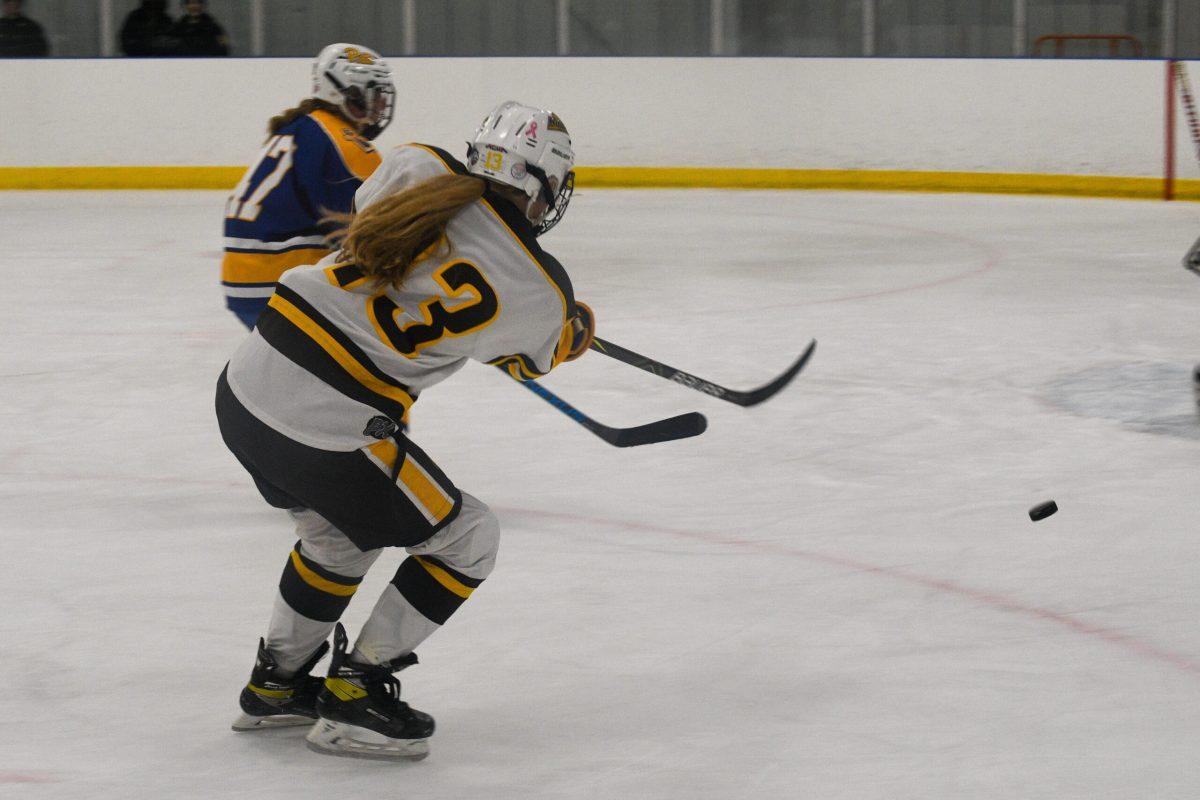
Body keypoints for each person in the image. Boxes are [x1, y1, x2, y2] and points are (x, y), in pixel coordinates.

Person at [217, 100, 593, 760]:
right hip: (326, 423)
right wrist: (571, 332)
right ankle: (356, 696)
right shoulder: (540, 289)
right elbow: (529, 356)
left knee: (336, 540)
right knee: (468, 538)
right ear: (541, 186)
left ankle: (275, 687)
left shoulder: (414, 166)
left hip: (246, 387)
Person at [222, 43, 394, 328]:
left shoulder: (301, 127)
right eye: (375, 94)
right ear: (347, 93)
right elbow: (369, 235)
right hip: (283, 284)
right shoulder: (344, 142)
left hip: (243, 280)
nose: (381, 105)